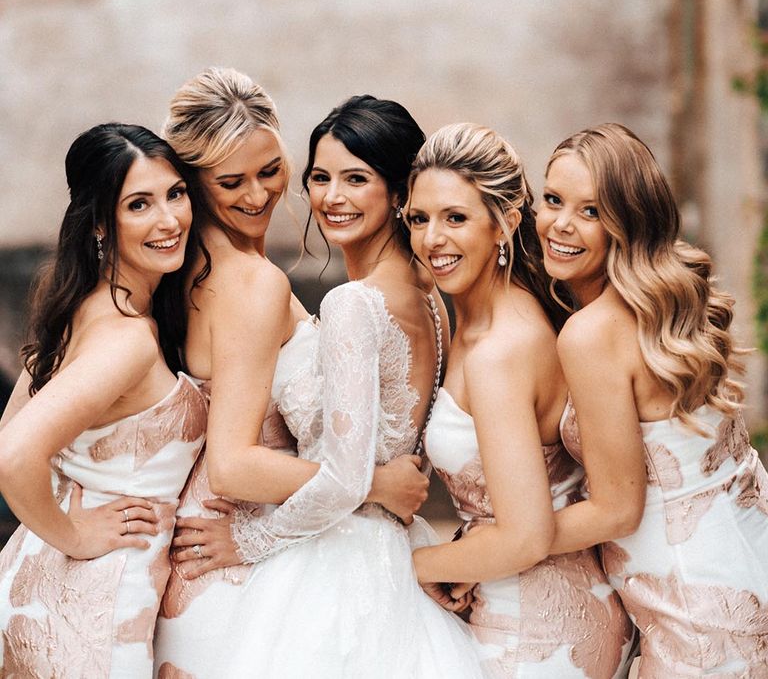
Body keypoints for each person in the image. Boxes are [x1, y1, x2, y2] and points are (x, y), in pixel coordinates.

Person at [152, 71, 430, 679]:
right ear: (192, 182)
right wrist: (373, 484)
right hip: (229, 552)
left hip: (270, 538)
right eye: (231, 182)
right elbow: (231, 463)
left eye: (271, 170)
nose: (259, 195)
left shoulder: (187, 266)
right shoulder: (252, 282)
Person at [199, 94, 486, 678]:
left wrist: (246, 542)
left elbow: (342, 477)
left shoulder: (355, 303)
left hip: (332, 560)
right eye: (321, 177)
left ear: (398, 192)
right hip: (381, 546)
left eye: (356, 179)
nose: (332, 197)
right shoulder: (428, 296)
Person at [536, 123, 768, 676]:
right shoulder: (669, 305)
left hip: (694, 609)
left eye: (591, 211)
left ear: (628, 220)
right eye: (552, 200)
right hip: (743, 561)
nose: (560, 225)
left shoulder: (592, 333)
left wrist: (507, 541)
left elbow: (617, 509)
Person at [406, 122, 636, 678]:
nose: (432, 238)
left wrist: (410, 564)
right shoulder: (471, 322)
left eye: (455, 218)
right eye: (419, 218)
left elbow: (524, 534)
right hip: (518, 597)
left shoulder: (501, 351)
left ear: (505, 223)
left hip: (538, 626)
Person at [0, 123, 208, 677]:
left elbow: (11, 427)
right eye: (139, 204)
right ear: (98, 222)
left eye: (175, 193)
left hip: (46, 579)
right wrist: (75, 532)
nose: (168, 220)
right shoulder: (127, 339)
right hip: (97, 601)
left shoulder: (77, 301)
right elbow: (13, 454)